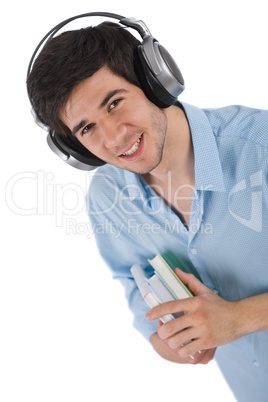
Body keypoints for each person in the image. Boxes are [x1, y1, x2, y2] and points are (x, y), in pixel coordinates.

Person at [27, 19, 268, 401]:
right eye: (87, 128)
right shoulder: (107, 196)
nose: (114, 137)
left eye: (114, 102)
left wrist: (240, 318)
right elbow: (135, 281)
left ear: (156, 79)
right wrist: (164, 340)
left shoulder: (261, 147)